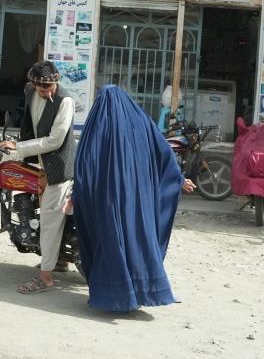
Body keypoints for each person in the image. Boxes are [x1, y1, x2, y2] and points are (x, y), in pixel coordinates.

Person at [72, 85, 189, 312]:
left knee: (110, 241)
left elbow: (85, 162)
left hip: (107, 199)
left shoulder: (98, 124)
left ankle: (114, 296)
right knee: (138, 240)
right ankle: (145, 290)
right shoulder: (142, 122)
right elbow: (164, 152)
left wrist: (79, 193)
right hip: (139, 200)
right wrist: (179, 179)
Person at [0, 61, 75, 295]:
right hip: (40, 161)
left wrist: (19, 147)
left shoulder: (65, 101)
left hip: (59, 166)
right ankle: (59, 259)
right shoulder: (30, 91)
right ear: (33, 85)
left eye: (50, 87)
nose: (47, 93)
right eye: (43, 89)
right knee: (42, 214)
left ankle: (46, 277)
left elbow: (55, 141)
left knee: (50, 221)